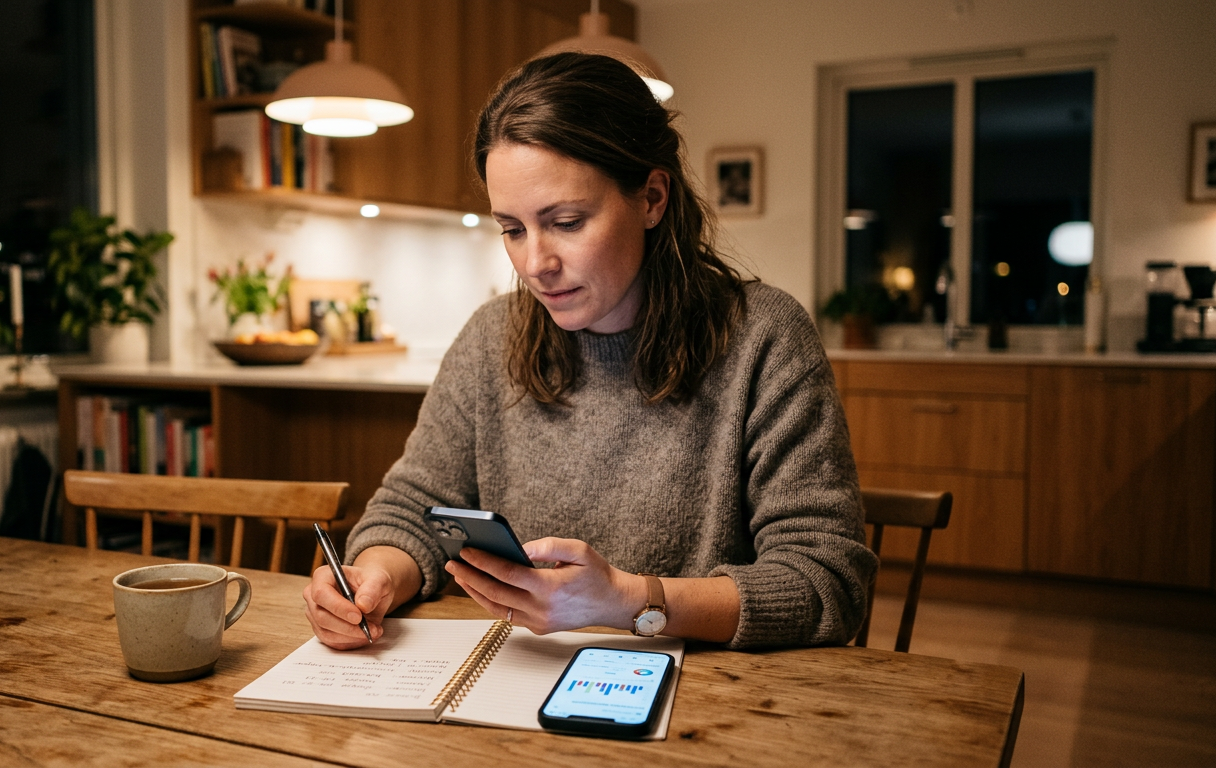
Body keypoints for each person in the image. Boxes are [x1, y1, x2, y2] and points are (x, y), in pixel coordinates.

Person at [303, 52, 876, 651]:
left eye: (568, 222)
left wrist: (630, 602)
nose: (536, 264)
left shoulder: (764, 336)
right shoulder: (489, 338)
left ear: (652, 198)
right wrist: (372, 578)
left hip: (709, 704)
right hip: (516, 686)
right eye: (513, 229)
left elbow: (827, 583)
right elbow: (410, 508)